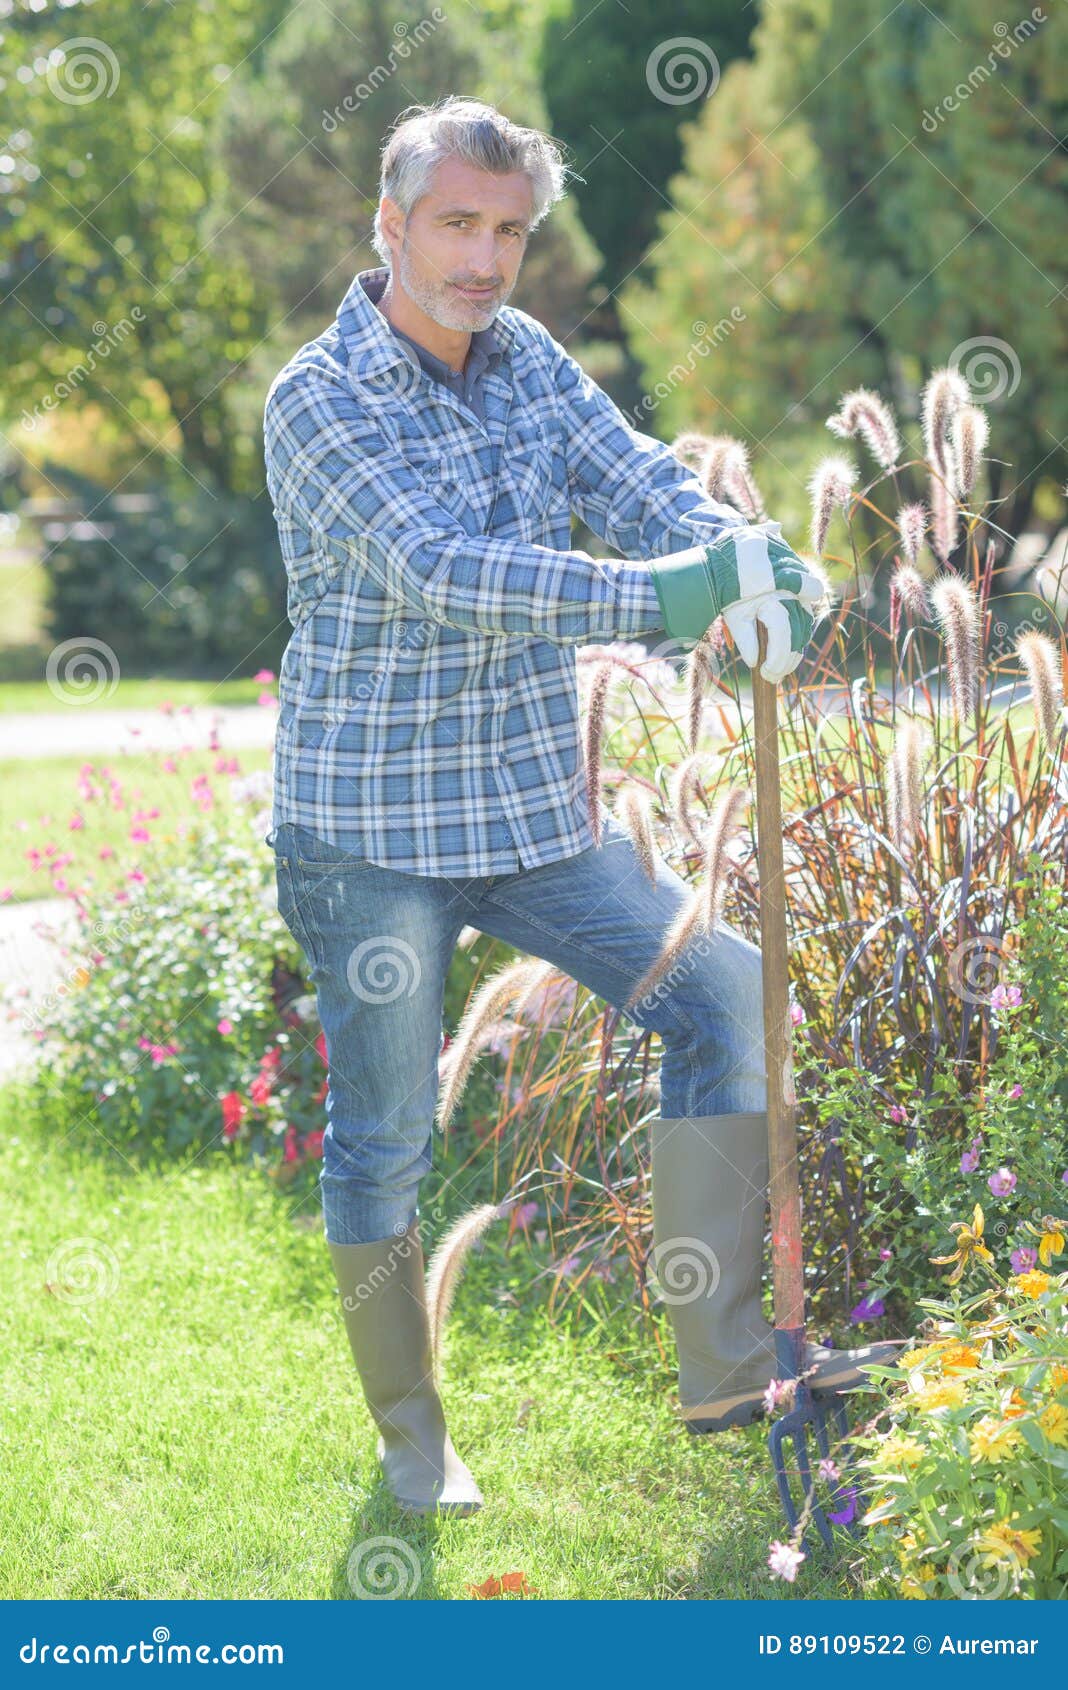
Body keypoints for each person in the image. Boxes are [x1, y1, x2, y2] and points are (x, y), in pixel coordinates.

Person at [261, 95, 901, 1518]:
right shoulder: (317, 399)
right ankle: (414, 1436)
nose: (485, 259)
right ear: (391, 222)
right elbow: (446, 570)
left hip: (530, 813)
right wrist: (672, 600)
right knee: (384, 1138)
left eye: (509, 230)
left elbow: (640, 486)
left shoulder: (531, 359)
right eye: (457, 225)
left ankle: (726, 1362)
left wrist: (745, 556)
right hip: (367, 832)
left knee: (727, 992)